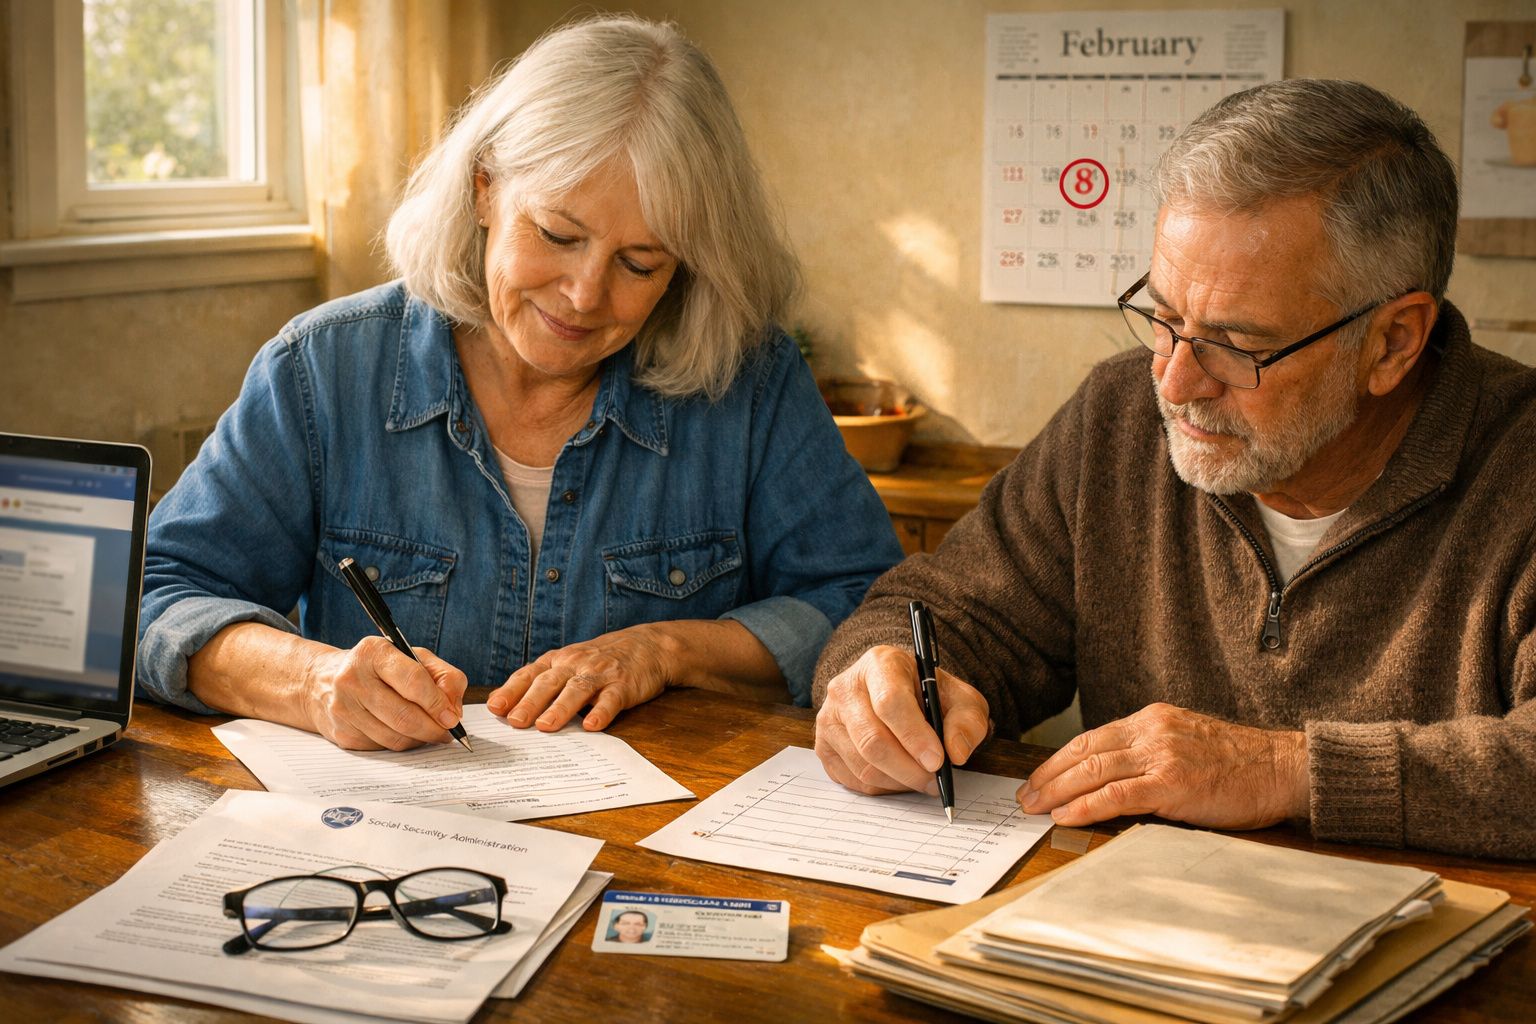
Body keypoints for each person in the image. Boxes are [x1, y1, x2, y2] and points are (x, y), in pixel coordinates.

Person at [813, 79, 1536, 860]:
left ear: (1393, 343)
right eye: (1163, 317)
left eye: (1236, 343)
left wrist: (1283, 770)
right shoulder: (1117, 417)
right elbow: (949, 611)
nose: (1175, 381)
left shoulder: (1519, 464)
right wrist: (881, 681)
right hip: (1125, 911)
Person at [137, 15, 901, 751]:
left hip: (669, 830)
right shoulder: (324, 370)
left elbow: (867, 610)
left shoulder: (749, 382)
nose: (584, 295)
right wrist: (312, 680)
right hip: (381, 826)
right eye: (558, 234)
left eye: (640, 263)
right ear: (483, 189)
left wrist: (668, 649)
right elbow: (154, 598)